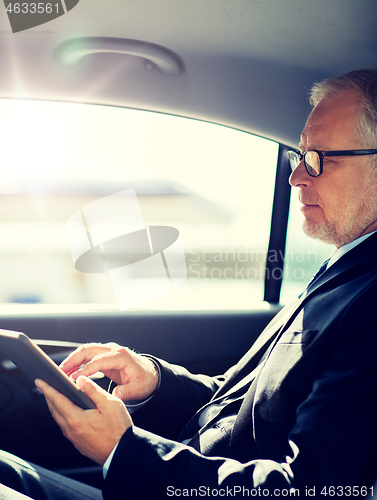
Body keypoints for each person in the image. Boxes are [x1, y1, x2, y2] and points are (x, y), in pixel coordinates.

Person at [2, 68, 377, 499]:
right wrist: (155, 381)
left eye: (318, 158)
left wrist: (125, 451)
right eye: (300, 155)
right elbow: (238, 406)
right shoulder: (344, 273)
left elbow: (315, 490)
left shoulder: (369, 302)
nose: (296, 177)